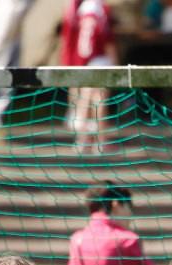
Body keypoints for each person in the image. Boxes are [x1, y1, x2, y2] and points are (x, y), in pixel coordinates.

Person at [61, 0, 119, 154]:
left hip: (85, 60)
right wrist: (115, 62)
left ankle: (83, 141)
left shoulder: (80, 8)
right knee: (99, 100)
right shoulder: (97, 8)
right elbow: (105, 37)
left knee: (85, 98)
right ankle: (99, 142)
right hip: (98, 59)